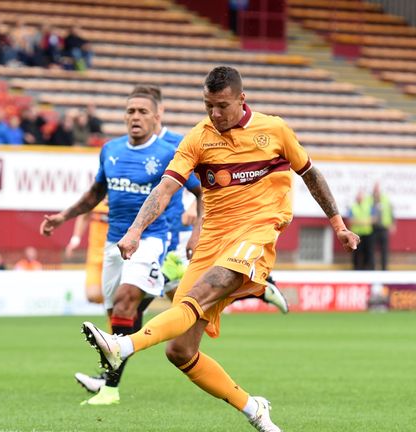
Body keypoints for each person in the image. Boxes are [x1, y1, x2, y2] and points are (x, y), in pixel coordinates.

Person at [80, 66, 360, 432]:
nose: (215, 114)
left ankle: (124, 346)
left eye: (222, 106)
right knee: (180, 352)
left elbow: (310, 174)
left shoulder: (274, 130)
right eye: (208, 105)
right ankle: (254, 409)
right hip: (213, 238)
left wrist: (337, 223)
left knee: (208, 287)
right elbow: (166, 189)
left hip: (257, 231)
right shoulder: (198, 137)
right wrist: (134, 231)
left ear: (242, 100)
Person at [42, 85, 197, 406]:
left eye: (142, 111)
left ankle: (109, 389)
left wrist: (197, 231)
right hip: (114, 242)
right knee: (119, 317)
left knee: (127, 302)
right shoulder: (110, 150)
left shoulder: (168, 153)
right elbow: (96, 193)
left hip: (153, 239)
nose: (135, 117)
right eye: (130, 111)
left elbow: (202, 192)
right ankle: (108, 381)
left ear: (157, 117)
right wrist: (63, 217)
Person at [369, 182, 394, 270]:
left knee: (384, 250)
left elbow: (391, 211)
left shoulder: (385, 199)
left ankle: (384, 269)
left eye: (378, 190)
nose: (376, 192)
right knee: (371, 250)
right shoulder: (369, 200)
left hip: (383, 228)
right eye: (375, 190)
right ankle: (372, 268)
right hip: (372, 228)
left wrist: (392, 223)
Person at [349, 189, 373, 270]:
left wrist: (358, 221)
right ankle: (356, 269)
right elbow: (350, 220)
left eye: (361, 197)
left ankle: (366, 269)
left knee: (367, 253)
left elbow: (374, 219)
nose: (359, 198)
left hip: (367, 234)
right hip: (356, 234)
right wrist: (363, 221)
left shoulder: (368, 206)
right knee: (356, 254)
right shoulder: (353, 207)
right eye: (358, 197)